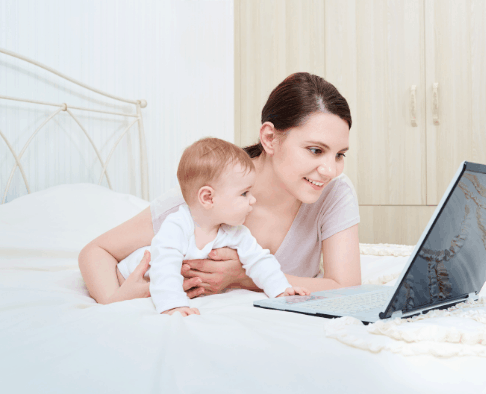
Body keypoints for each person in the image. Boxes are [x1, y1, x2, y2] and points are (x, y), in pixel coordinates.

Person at [78, 72, 361, 305]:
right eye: (315, 150)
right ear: (270, 138)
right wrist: (114, 300)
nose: (331, 170)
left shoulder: (334, 192)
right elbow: (96, 252)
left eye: (339, 155)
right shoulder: (211, 191)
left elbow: (346, 287)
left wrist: (242, 276)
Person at [116, 138, 310, 316]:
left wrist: (281, 290)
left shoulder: (236, 233)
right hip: (126, 276)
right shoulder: (177, 226)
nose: (253, 200)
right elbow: (164, 267)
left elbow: (260, 260)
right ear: (208, 198)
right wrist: (173, 305)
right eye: (244, 194)